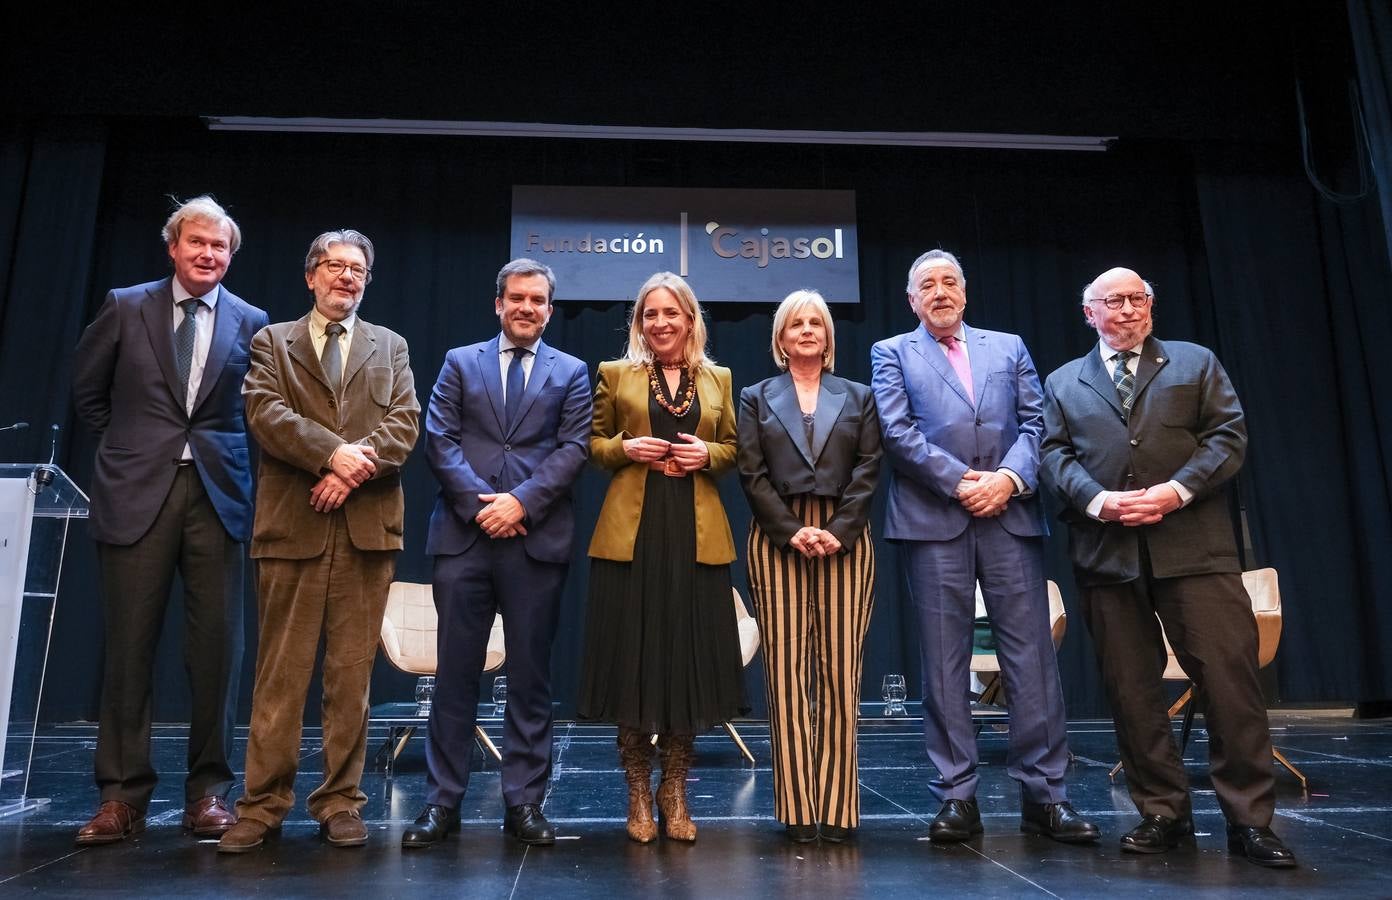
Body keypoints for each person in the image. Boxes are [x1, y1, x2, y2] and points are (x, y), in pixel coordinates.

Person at [1039, 266, 1296, 868]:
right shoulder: (1062, 382)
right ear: (1090, 314)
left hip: (1195, 550)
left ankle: (1251, 822)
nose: (1129, 309)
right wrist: (1098, 501)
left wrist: (1176, 490)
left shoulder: (1195, 362)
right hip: (1107, 553)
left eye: (1139, 298)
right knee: (1132, 692)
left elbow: (1228, 437)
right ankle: (1162, 813)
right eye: (1115, 301)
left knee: (1230, 687)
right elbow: (1053, 453)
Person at [870, 249, 1098, 845]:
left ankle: (1046, 797)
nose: (940, 292)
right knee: (945, 665)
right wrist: (961, 482)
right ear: (911, 300)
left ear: (965, 294)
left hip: (1010, 513)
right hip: (933, 518)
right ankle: (956, 799)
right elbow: (896, 432)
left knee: (1033, 661)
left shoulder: (1010, 346)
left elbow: (1036, 423)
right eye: (928, 285)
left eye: (950, 282)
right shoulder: (891, 352)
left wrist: (1009, 480)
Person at [71, 196, 268, 846]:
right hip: (137, 494)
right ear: (173, 247)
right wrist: (135, 449)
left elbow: (255, 412)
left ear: (230, 255)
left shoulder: (251, 320)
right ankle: (121, 796)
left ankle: (209, 792)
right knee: (129, 647)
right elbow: (88, 393)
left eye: (220, 247)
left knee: (217, 650)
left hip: (217, 495)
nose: (209, 255)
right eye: (198, 244)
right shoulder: (127, 305)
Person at [217, 229, 419, 853]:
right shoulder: (271, 341)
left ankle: (340, 802)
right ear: (311, 275)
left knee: (350, 677)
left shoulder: (391, 346)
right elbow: (265, 414)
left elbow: (405, 422)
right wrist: (334, 456)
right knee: (279, 675)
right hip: (292, 526)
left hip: (365, 529)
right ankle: (261, 804)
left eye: (357, 268)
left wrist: (352, 470)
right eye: (334, 266)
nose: (346, 277)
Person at [402, 259, 591, 849]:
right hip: (465, 537)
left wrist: (520, 505)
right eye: (516, 298)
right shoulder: (461, 362)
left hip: (535, 541)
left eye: (537, 300)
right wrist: (482, 506)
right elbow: (439, 439)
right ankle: (441, 803)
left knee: (530, 678)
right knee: (454, 675)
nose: (526, 308)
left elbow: (573, 448)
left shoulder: (573, 371)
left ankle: (524, 802)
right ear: (498, 304)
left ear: (549, 310)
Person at [577, 271, 745, 844]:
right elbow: (593, 446)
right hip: (632, 537)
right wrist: (624, 447)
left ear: (691, 319)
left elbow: (736, 449)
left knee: (685, 668)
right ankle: (635, 795)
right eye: (651, 314)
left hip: (696, 539)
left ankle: (673, 792)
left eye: (672, 313)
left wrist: (709, 454)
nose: (661, 323)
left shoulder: (717, 377)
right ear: (639, 322)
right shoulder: (614, 374)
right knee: (632, 665)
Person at [736, 289, 881, 843]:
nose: (806, 330)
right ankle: (798, 807)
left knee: (840, 674)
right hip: (778, 539)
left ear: (828, 336)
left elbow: (868, 470)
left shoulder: (859, 396)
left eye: (815, 322)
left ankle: (840, 809)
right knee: (787, 676)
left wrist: (837, 531)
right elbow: (751, 474)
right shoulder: (755, 396)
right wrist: (792, 529)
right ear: (779, 338)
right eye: (795, 323)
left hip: (845, 537)